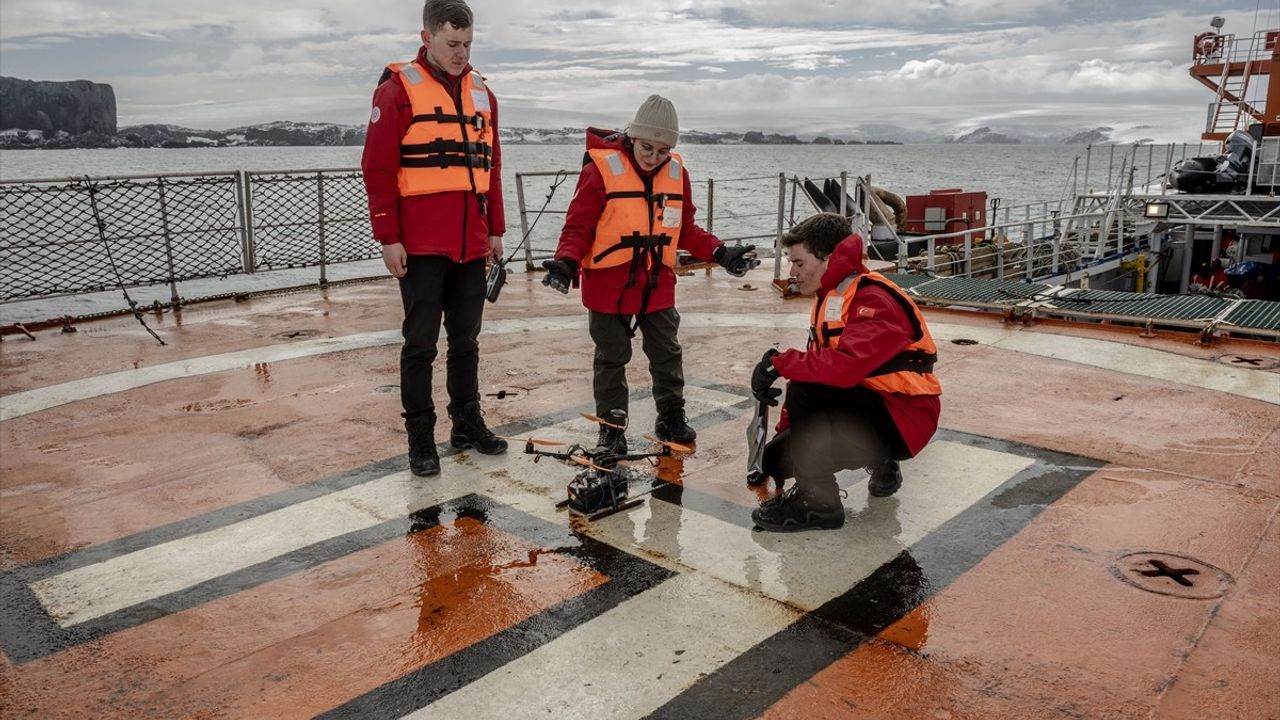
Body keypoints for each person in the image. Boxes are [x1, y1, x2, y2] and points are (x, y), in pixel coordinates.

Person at [542, 95, 758, 453]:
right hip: (608, 285)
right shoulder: (599, 171)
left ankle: (670, 415)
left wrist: (721, 252)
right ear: (632, 136)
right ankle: (611, 429)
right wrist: (566, 262)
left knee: (667, 353)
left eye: (662, 150)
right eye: (647, 146)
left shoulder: (677, 175)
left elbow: (685, 229)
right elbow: (578, 226)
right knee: (610, 359)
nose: (654, 157)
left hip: (656, 283)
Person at [361, 0, 508, 477]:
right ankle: (420, 437)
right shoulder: (396, 90)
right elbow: (378, 169)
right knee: (420, 344)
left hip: (471, 242)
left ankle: (466, 423)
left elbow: (493, 168)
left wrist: (496, 231)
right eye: (451, 44)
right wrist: (389, 236)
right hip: (421, 245)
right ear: (427, 37)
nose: (460, 53)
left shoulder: (484, 94)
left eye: (467, 44)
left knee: (466, 339)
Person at [748, 213, 942, 532]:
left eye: (798, 262)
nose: (792, 273)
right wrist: (784, 438)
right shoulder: (830, 298)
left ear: (827, 257)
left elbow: (843, 369)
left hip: (906, 418)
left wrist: (779, 364)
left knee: (808, 382)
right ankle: (881, 462)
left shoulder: (872, 298)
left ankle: (820, 504)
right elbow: (817, 368)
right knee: (777, 459)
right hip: (874, 412)